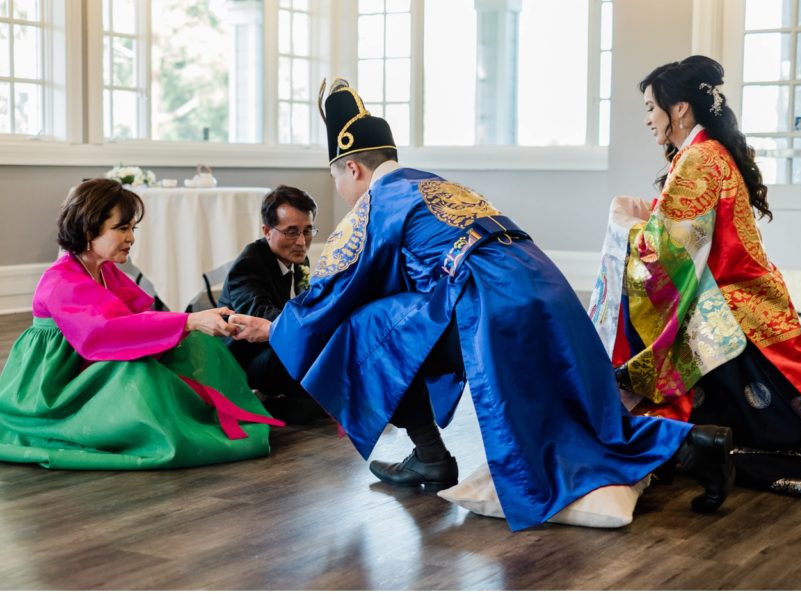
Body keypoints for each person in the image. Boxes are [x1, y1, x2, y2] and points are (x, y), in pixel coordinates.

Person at [225, 78, 735, 532]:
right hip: (545, 286)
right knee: (579, 410)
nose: (340, 191)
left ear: (353, 166)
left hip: (492, 304)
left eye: (338, 178)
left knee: (366, 331)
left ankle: (429, 453)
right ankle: (694, 444)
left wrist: (275, 330)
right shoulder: (437, 184)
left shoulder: (379, 203)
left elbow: (338, 286)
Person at [589, 55, 801, 501]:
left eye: (650, 107)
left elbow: (663, 252)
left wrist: (624, 225)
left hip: (730, 306)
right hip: (743, 295)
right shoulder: (705, 152)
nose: (646, 119)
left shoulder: (698, 159)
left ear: (679, 109)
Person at [0, 178, 282, 469]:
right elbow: (104, 333)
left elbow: (141, 313)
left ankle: (217, 414)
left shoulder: (105, 271)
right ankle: (173, 432)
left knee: (196, 344)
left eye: (133, 228)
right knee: (139, 373)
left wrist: (196, 324)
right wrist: (188, 320)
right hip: (54, 384)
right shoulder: (62, 280)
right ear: (88, 229)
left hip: (88, 361)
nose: (130, 237)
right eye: (121, 228)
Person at [218, 185, 327, 424]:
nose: (301, 241)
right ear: (267, 231)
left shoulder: (297, 257)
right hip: (244, 361)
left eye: (307, 231)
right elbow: (260, 315)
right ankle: (268, 403)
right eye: (291, 232)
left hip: (278, 350)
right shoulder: (249, 265)